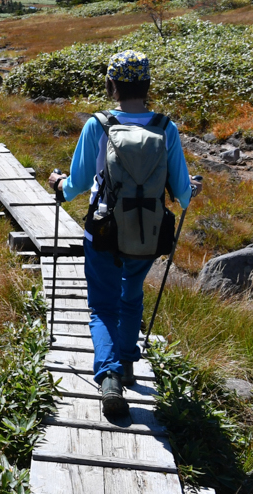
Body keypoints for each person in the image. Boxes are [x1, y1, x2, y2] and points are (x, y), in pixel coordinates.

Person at [47, 49, 192, 419]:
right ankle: (127, 362)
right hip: (148, 233)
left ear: (112, 84)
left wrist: (58, 185)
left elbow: (77, 183)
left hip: (104, 230)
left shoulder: (99, 124)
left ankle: (109, 374)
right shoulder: (165, 126)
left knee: (103, 306)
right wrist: (195, 189)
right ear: (147, 84)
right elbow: (183, 191)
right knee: (131, 297)